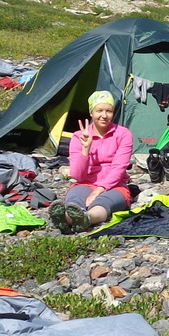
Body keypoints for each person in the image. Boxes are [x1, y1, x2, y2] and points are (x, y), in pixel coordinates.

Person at [52, 91, 135, 233]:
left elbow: (119, 167)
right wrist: (86, 149)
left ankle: (87, 218)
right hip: (86, 182)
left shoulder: (123, 134)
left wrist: (99, 190)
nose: (104, 115)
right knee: (75, 201)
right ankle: (66, 218)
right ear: (91, 112)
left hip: (115, 184)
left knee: (103, 203)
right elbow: (77, 175)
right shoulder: (79, 136)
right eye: (99, 110)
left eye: (108, 111)